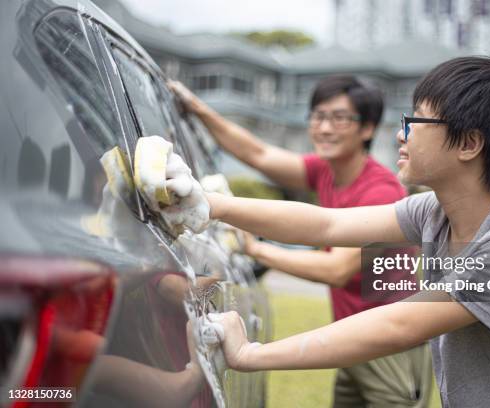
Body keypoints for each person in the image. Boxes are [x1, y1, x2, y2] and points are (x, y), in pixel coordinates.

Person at [149, 56, 490, 407]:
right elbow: (329, 223)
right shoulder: (434, 210)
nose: (400, 135)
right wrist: (207, 205)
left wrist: (250, 353)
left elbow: (398, 323)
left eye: (416, 121)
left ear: (470, 144)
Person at [169, 76, 429, 407]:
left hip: (390, 342)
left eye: (339, 118)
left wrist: (257, 249)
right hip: (352, 336)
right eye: (317, 117)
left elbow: (337, 269)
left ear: (367, 129)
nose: (324, 128)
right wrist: (198, 108)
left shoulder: (380, 190)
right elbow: (258, 153)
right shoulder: (325, 170)